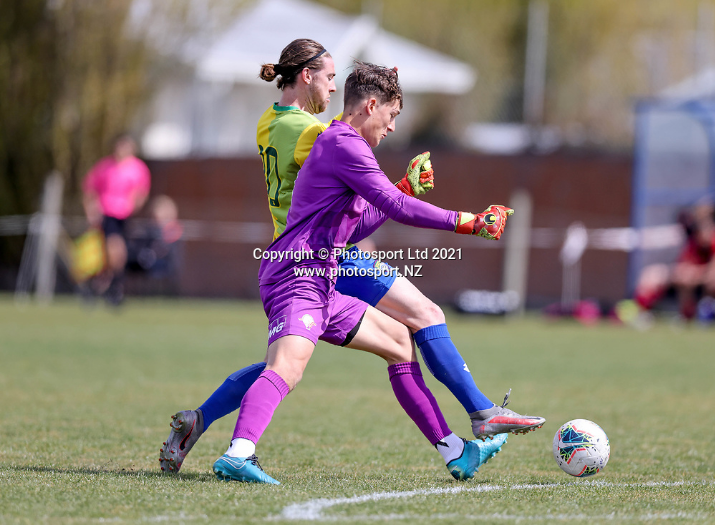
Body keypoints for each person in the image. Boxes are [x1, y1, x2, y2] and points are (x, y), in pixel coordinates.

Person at [159, 40, 544, 476]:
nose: (394, 127)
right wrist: (467, 221)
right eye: (393, 115)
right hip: (300, 269)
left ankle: (456, 450)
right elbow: (389, 205)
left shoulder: (284, 125)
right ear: (372, 103)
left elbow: (356, 224)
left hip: (321, 266)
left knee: (398, 341)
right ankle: (239, 454)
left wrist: (399, 189)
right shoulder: (332, 138)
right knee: (294, 362)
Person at [82, 133, 151, 304]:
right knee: (114, 249)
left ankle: (106, 285)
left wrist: (135, 203)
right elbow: (90, 188)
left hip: (126, 216)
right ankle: (111, 286)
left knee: (117, 253)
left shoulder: (138, 168)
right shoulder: (105, 166)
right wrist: (91, 210)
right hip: (108, 214)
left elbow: (141, 192)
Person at [626, 199, 715, 324]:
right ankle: (641, 313)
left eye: (705, 223)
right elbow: (684, 264)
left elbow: (711, 274)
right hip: (687, 275)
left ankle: (698, 313)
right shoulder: (692, 239)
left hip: (703, 281)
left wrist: (695, 273)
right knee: (653, 274)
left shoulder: (712, 241)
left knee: (690, 278)